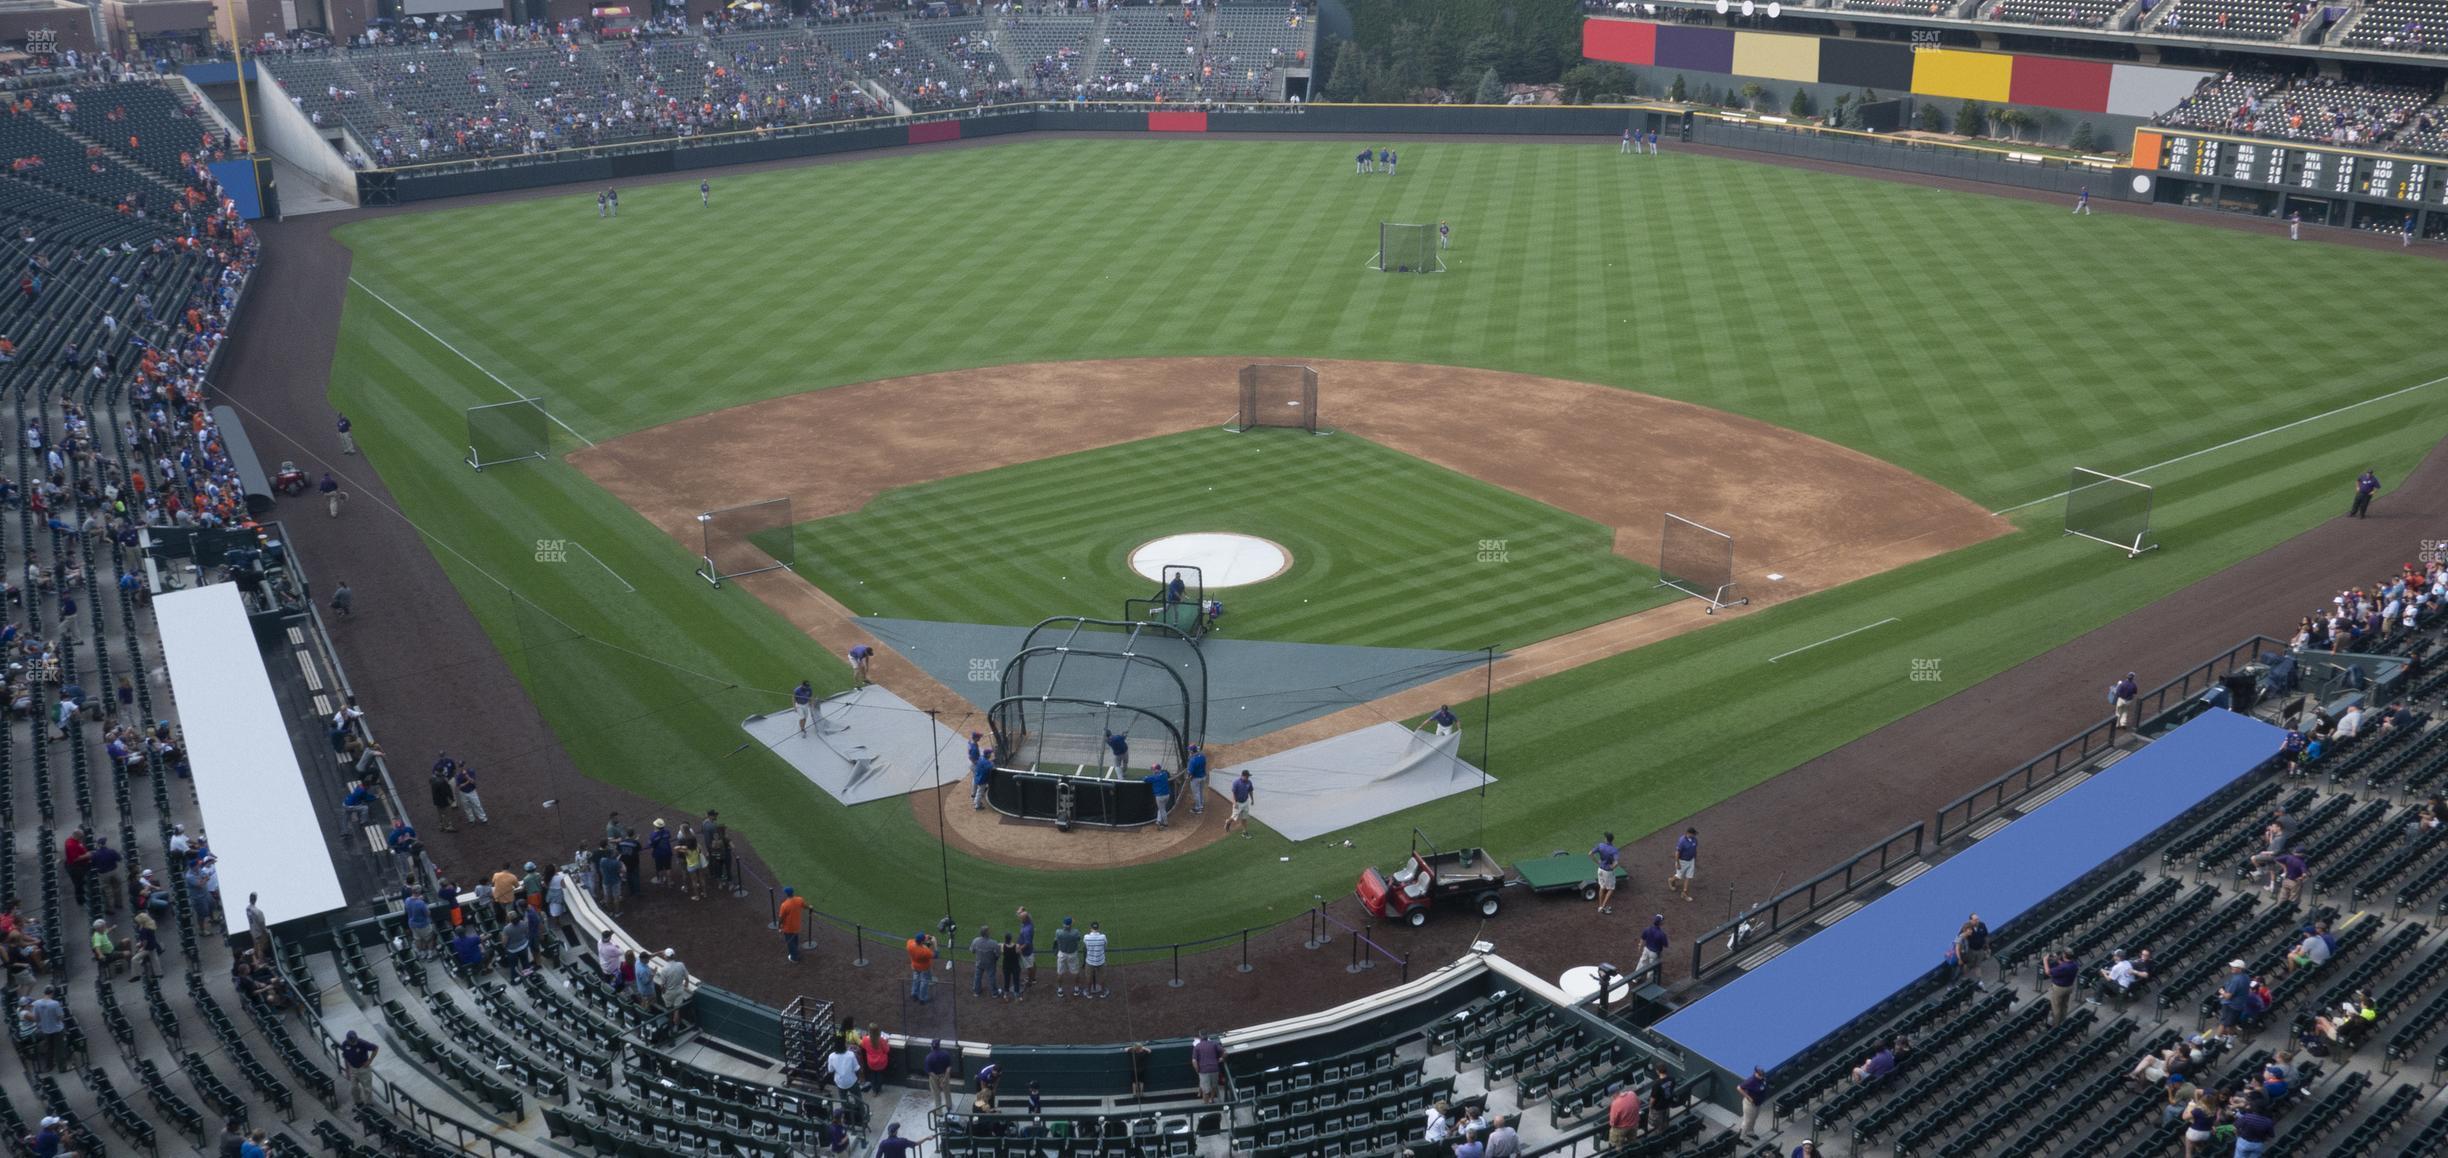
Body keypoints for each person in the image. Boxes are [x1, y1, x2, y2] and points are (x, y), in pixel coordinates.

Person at [341, 1030, 379, 1103]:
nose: (353, 1042)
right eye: (351, 1041)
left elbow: (375, 1048)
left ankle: (369, 1104)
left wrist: (370, 1060)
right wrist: (347, 1070)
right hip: (353, 1069)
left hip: (363, 1069)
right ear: (348, 1039)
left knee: (367, 1089)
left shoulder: (362, 1043)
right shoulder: (345, 1044)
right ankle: (358, 1102)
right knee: (353, 1088)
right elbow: (345, 1057)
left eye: (354, 1040)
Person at [2044, 950, 2081, 1024]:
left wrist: (2045, 960)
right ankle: (2063, 1022)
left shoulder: (2063, 968)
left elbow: (2048, 972)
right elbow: (2065, 965)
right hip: (2069, 987)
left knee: (2056, 1007)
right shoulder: (2074, 964)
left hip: (2059, 989)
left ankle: (2055, 1026)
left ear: (2064, 956)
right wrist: (2058, 960)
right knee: (2064, 1006)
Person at [1955, 913, 1991, 984]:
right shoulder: (1967, 927)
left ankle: (1979, 980)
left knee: (1978, 965)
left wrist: (1987, 947)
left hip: (1980, 949)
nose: (1977, 921)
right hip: (1971, 951)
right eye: (1975, 920)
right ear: (1970, 920)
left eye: (1978, 919)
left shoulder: (1982, 925)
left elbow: (1986, 936)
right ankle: (1964, 977)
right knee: (1968, 964)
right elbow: (1960, 937)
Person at [1590, 831, 1619, 914]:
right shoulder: (1614, 850)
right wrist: (1611, 867)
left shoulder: (1600, 845)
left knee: (1602, 887)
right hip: (1608, 872)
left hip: (1600, 869)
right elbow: (1616, 863)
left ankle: (1600, 906)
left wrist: (1598, 862)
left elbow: (1590, 853)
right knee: (1611, 889)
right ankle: (1602, 907)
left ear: (1606, 839)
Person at [1052, 917, 1082, 998]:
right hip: (1072, 954)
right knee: (1075, 972)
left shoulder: (1058, 932)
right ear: (1071, 924)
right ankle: (1076, 989)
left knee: (1060, 972)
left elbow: (1056, 939)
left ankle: (1060, 990)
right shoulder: (1075, 932)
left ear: (1063, 924)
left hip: (1062, 954)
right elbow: (1078, 939)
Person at [1193, 1031, 1225, 1103]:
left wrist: (1197, 1070)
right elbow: (1225, 1052)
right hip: (1214, 1069)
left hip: (1203, 1071)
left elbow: (1194, 1061)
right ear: (1207, 1036)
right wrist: (1221, 1058)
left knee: (1205, 1090)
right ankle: (1211, 1100)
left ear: (1200, 1037)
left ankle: (1206, 1104)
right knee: (1214, 1086)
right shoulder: (1214, 1044)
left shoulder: (1197, 1046)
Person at [1605, 1082, 1640, 1147]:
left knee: (1617, 1146)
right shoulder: (1632, 1094)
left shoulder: (1615, 1103)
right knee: (1633, 1144)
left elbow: (1613, 1122)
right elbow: (1638, 1104)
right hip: (1634, 1125)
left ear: (1613, 1094)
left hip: (1621, 1129)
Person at [1737, 1066, 1768, 1137]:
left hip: (1758, 1103)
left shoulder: (1763, 1079)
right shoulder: (1751, 1081)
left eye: (1762, 1075)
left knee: (1754, 1118)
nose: (1761, 1076)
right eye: (1759, 1075)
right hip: (1750, 1104)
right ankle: (1741, 1138)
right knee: (1747, 1121)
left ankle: (1750, 1132)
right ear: (1755, 1073)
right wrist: (1748, 1097)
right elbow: (1739, 1088)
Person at [924, 1040, 955, 1111]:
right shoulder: (946, 1054)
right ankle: (949, 1106)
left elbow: (930, 1072)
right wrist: (944, 1079)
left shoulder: (928, 1057)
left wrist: (938, 1079)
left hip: (934, 1077)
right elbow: (949, 1068)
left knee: (936, 1094)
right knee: (947, 1092)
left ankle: (939, 1112)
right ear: (939, 1046)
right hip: (945, 1075)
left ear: (932, 1047)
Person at [969, 924, 999, 997]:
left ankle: (976, 992)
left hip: (979, 962)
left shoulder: (976, 940)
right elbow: (997, 955)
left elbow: (972, 951)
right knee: (991, 977)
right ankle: (994, 993)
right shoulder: (993, 943)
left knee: (977, 977)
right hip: (990, 963)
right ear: (987, 933)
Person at [779, 887, 807, 962]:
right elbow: (805, 906)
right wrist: (810, 907)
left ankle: (794, 958)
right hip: (797, 926)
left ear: (786, 894)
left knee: (790, 943)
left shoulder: (784, 905)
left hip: (788, 928)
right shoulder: (800, 899)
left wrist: (779, 927)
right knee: (795, 939)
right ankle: (796, 951)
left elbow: (781, 918)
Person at [1670, 827, 1699, 901]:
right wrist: (1678, 863)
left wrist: (1695, 859)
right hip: (1682, 862)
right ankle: (1671, 880)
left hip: (1691, 860)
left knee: (1688, 876)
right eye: (1693, 834)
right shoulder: (1682, 841)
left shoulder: (1694, 839)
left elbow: (1695, 849)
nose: (1694, 835)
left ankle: (1684, 893)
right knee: (1679, 877)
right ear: (1689, 833)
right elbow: (1677, 853)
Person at [1636, 914, 1668, 979]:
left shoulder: (1648, 929)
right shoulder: (1661, 934)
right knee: (1652, 969)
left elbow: (1642, 937)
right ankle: (1649, 982)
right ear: (1660, 923)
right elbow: (1666, 945)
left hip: (1646, 950)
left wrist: (1640, 945)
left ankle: (1635, 978)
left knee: (1642, 963)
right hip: (1654, 953)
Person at [907, 932, 935, 1003]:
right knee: (924, 982)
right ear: (922, 942)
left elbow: (915, 940)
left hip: (914, 966)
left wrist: (925, 937)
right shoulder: (925, 951)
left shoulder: (909, 944)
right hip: (924, 968)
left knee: (916, 979)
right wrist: (935, 943)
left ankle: (914, 994)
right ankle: (922, 998)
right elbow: (936, 955)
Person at [1083, 921, 1109, 997]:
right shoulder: (1103, 937)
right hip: (1101, 961)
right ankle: (1103, 992)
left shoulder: (1086, 937)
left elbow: (1085, 946)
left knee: (1088, 977)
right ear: (1098, 928)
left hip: (1090, 961)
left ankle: (1088, 993)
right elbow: (1105, 946)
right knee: (1103, 977)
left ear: (1091, 928)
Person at [1226, 770, 1255, 837]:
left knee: (1244, 818)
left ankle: (1244, 832)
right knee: (1233, 817)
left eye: (1248, 776)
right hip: (1238, 803)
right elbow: (1233, 793)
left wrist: (1252, 799)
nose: (1248, 778)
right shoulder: (1236, 783)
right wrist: (1234, 802)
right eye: (1247, 776)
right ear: (1243, 776)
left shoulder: (1249, 782)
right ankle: (1228, 822)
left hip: (1245, 802)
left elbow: (1250, 791)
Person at [1147, 763, 1174, 828]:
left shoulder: (1155, 777)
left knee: (1162, 810)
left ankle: (1165, 824)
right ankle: (1158, 821)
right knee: (1161, 808)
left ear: (1157, 770)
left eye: (1154, 770)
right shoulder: (1164, 774)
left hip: (1160, 797)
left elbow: (1145, 779)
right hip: (1167, 795)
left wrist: (1148, 777)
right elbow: (1166, 772)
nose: (1152, 771)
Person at [1184, 745, 1208, 814]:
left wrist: (1187, 777)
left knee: (1196, 793)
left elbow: (1189, 772)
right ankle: (1201, 804)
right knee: (1201, 791)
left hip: (1196, 779)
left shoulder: (1192, 760)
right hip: (1203, 777)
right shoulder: (1202, 756)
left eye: (1189, 750)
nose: (1188, 751)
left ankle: (1198, 808)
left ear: (1191, 751)